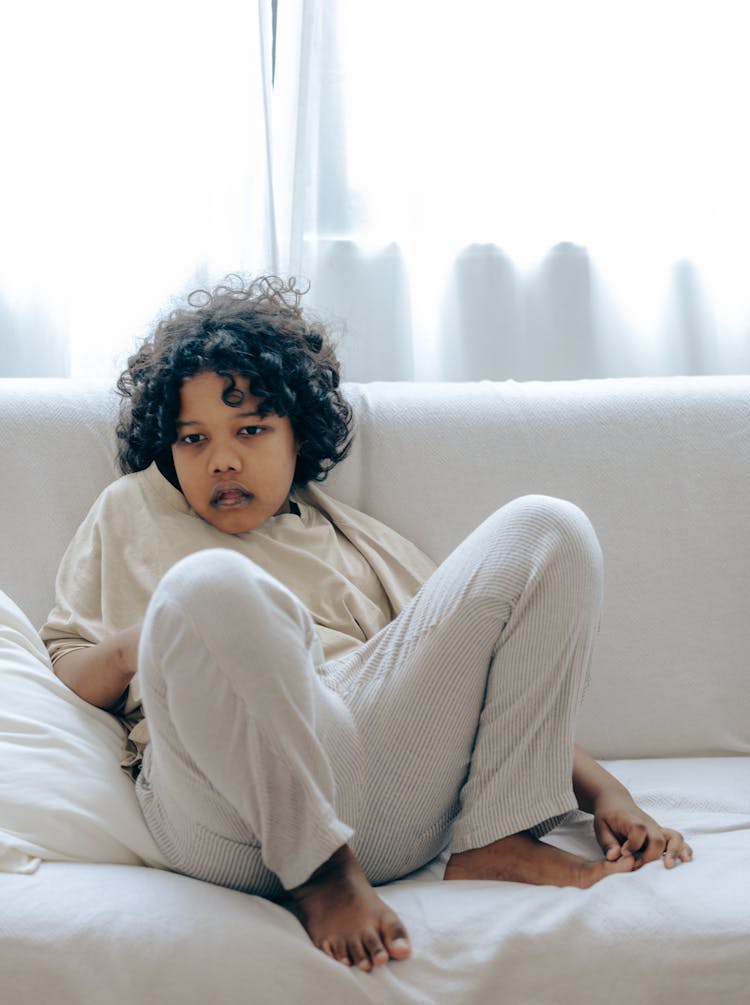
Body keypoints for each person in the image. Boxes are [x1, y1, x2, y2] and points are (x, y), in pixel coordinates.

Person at [42, 275, 692, 973]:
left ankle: (495, 839)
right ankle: (320, 873)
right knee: (210, 584)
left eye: (251, 429)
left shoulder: (347, 536)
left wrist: (608, 794)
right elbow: (69, 676)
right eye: (192, 438)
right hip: (218, 811)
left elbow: (478, 678)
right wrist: (156, 640)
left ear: (299, 435)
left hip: (372, 790)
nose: (221, 458)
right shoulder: (130, 512)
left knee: (549, 525)